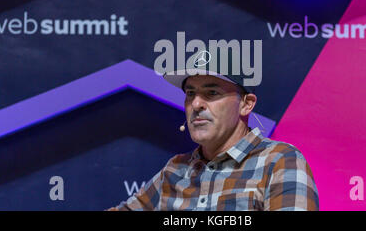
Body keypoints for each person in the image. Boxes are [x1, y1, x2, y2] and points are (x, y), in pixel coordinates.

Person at [109, 52, 319, 211]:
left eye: (212, 92)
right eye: (190, 93)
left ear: (246, 104)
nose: (196, 103)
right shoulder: (175, 170)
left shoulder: (280, 161)